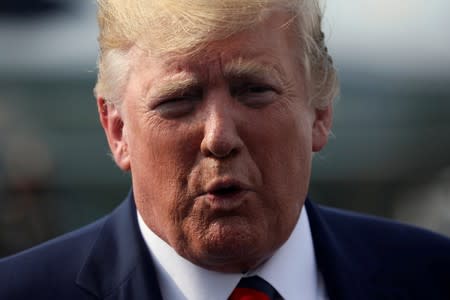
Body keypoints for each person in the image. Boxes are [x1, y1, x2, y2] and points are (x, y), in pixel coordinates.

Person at [1, 0, 449, 299]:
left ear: (320, 111)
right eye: (178, 100)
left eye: (254, 90)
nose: (218, 137)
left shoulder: (430, 276)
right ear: (117, 130)